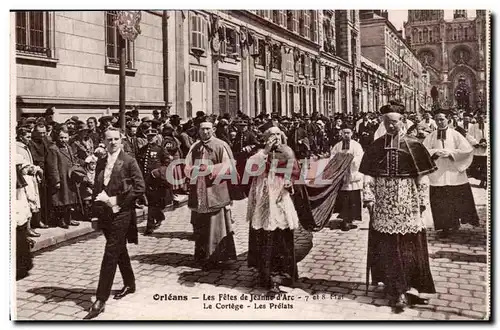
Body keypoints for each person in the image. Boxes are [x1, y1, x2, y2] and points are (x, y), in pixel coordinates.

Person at [360, 103, 437, 311]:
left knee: (409, 246)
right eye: (387, 122)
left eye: (394, 122)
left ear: (402, 121)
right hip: (384, 204)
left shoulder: (414, 145)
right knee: (388, 246)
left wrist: (422, 201)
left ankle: (412, 286)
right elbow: (368, 175)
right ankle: (395, 289)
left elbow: (422, 178)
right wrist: (368, 197)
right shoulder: (376, 146)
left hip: (408, 202)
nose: (391, 126)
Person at [84, 128, 145, 320]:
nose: (113, 142)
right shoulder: (102, 161)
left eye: (116, 139)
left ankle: (100, 300)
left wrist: (117, 201)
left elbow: (139, 187)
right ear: (103, 141)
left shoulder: (128, 161)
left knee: (110, 252)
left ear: (122, 140)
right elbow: (96, 189)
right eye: (109, 139)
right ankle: (130, 282)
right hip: (105, 214)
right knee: (118, 249)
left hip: (122, 213)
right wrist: (94, 215)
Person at [246, 122, 301, 291]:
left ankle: (284, 274)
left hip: (279, 195)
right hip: (263, 194)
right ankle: (265, 274)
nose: (275, 138)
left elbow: (295, 172)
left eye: (278, 134)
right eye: (271, 135)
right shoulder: (260, 153)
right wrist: (265, 151)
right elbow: (250, 169)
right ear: (265, 138)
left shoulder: (287, 151)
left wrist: (289, 181)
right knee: (264, 234)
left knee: (281, 234)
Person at [184, 118, 237, 270]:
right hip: (199, 191)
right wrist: (192, 171)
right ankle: (202, 256)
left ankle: (218, 256)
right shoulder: (195, 146)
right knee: (200, 224)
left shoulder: (221, 145)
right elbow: (187, 166)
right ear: (198, 131)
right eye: (202, 129)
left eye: (208, 129)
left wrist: (210, 170)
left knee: (217, 224)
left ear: (213, 130)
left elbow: (230, 166)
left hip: (215, 190)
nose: (205, 132)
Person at [422, 109, 480, 236]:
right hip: (438, 173)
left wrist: (452, 153)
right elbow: (424, 151)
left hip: (454, 172)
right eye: (437, 119)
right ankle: (444, 227)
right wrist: (434, 153)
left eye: (442, 119)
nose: (439, 122)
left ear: (448, 119)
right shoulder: (431, 136)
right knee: (440, 200)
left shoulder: (455, 134)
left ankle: (455, 223)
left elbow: (467, 150)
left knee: (455, 198)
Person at [137, 128, 173, 235]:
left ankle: (150, 226)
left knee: (153, 203)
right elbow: (139, 164)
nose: (150, 138)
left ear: (156, 137)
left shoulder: (160, 149)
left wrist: (159, 171)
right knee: (151, 203)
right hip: (146, 180)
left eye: (152, 136)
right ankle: (158, 218)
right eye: (148, 136)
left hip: (156, 180)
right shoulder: (142, 149)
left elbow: (167, 163)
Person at [331, 123, 364, 231]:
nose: (346, 135)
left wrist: (349, 160)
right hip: (342, 177)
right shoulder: (337, 146)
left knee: (353, 198)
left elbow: (359, 158)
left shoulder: (356, 146)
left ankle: (350, 219)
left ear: (352, 133)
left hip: (353, 176)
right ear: (341, 133)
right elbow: (332, 157)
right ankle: (344, 219)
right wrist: (339, 162)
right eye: (344, 133)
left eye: (348, 133)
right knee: (343, 198)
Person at [46, 126, 80, 228]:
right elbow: (53, 167)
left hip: (69, 176)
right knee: (61, 200)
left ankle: (69, 218)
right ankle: (61, 220)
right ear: (57, 137)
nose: (63, 140)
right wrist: (56, 180)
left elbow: (72, 160)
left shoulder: (69, 147)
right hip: (61, 177)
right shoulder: (54, 149)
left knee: (70, 199)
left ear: (69, 137)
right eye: (61, 137)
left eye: (65, 137)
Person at [16, 127, 43, 237]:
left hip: (30, 177)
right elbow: (23, 165)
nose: (29, 139)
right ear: (21, 137)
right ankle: (27, 228)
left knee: (32, 201)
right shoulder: (17, 147)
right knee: (26, 203)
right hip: (23, 178)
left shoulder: (25, 146)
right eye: (27, 137)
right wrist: (34, 169)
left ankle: (30, 226)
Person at [468, 114, 488, 188]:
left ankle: (484, 181)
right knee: (474, 168)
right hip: (477, 151)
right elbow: (469, 136)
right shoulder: (473, 127)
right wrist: (476, 143)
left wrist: (486, 144)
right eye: (479, 118)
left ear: (485, 118)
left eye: (482, 118)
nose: (481, 120)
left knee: (485, 166)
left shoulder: (488, 125)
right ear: (477, 119)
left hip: (486, 151)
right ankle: (481, 179)